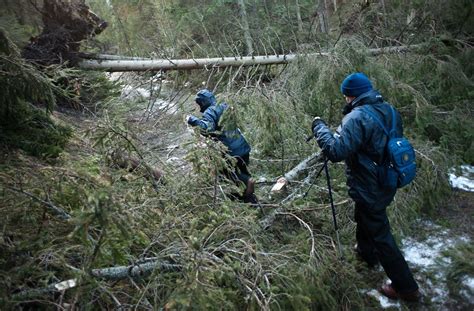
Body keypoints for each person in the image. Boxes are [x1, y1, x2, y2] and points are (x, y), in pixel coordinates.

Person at [311, 73, 420, 301]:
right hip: (386, 179)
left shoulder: (357, 117)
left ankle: (406, 287)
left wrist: (319, 127)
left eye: (345, 96)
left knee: (380, 233)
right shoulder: (389, 110)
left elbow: (335, 151)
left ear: (350, 95)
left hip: (369, 184)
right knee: (364, 214)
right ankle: (365, 254)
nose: (345, 100)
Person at [187, 89, 257, 203]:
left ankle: (248, 183)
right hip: (243, 147)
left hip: (230, 151)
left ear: (202, 102)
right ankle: (249, 199)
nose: (198, 106)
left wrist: (192, 120)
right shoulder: (225, 105)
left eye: (199, 103)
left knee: (228, 173)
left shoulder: (210, 111)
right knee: (243, 171)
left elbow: (207, 129)